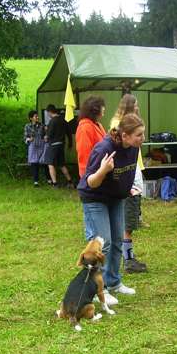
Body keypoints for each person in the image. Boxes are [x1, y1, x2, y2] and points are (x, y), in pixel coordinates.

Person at [77, 113, 145, 305]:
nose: (143, 138)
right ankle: (99, 289)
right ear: (124, 135)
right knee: (102, 244)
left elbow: (127, 170)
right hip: (95, 198)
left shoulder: (133, 148)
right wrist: (103, 170)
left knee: (117, 241)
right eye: (139, 135)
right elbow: (91, 181)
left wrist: (127, 187)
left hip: (116, 198)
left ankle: (113, 282)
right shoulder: (104, 149)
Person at [110, 94, 147, 273]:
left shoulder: (126, 123)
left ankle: (128, 257)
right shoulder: (119, 125)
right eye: (136, 105)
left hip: (133, 169)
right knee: (128, 217)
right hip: (128, 173)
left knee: (130, 217)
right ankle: (128, 259)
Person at [76, 96, 107, 178]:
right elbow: (84, 153)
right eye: (102, 107)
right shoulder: (85, 127)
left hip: (101, 170)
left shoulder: (97, 124)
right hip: (92, 173)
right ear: (95, 110)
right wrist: (87, 176)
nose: (104, 109)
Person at [44, 104, 74, 188]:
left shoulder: (52, 121)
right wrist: (70, 143)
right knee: (61, 164)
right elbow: (69, 132)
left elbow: (49, 135)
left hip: (53, 145)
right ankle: (70, 181)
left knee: (50, 164)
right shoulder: (63, 119)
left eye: (47, 113)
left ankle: (55, 183)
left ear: (49, 112)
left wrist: (46, 135)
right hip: (61, 145)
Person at [24, 110, 49, 186]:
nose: (37, 117)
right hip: (33, 146)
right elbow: (25, 137)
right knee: (34, 163)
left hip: (41, 145)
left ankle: (49, 179)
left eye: (37, 116)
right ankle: (36, 181)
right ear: (31, 118)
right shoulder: (27, 126)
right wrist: (28, 139)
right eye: (35, 116)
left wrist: (46, 136)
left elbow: (46, 134)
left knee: (45, 162)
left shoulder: (42, 125)